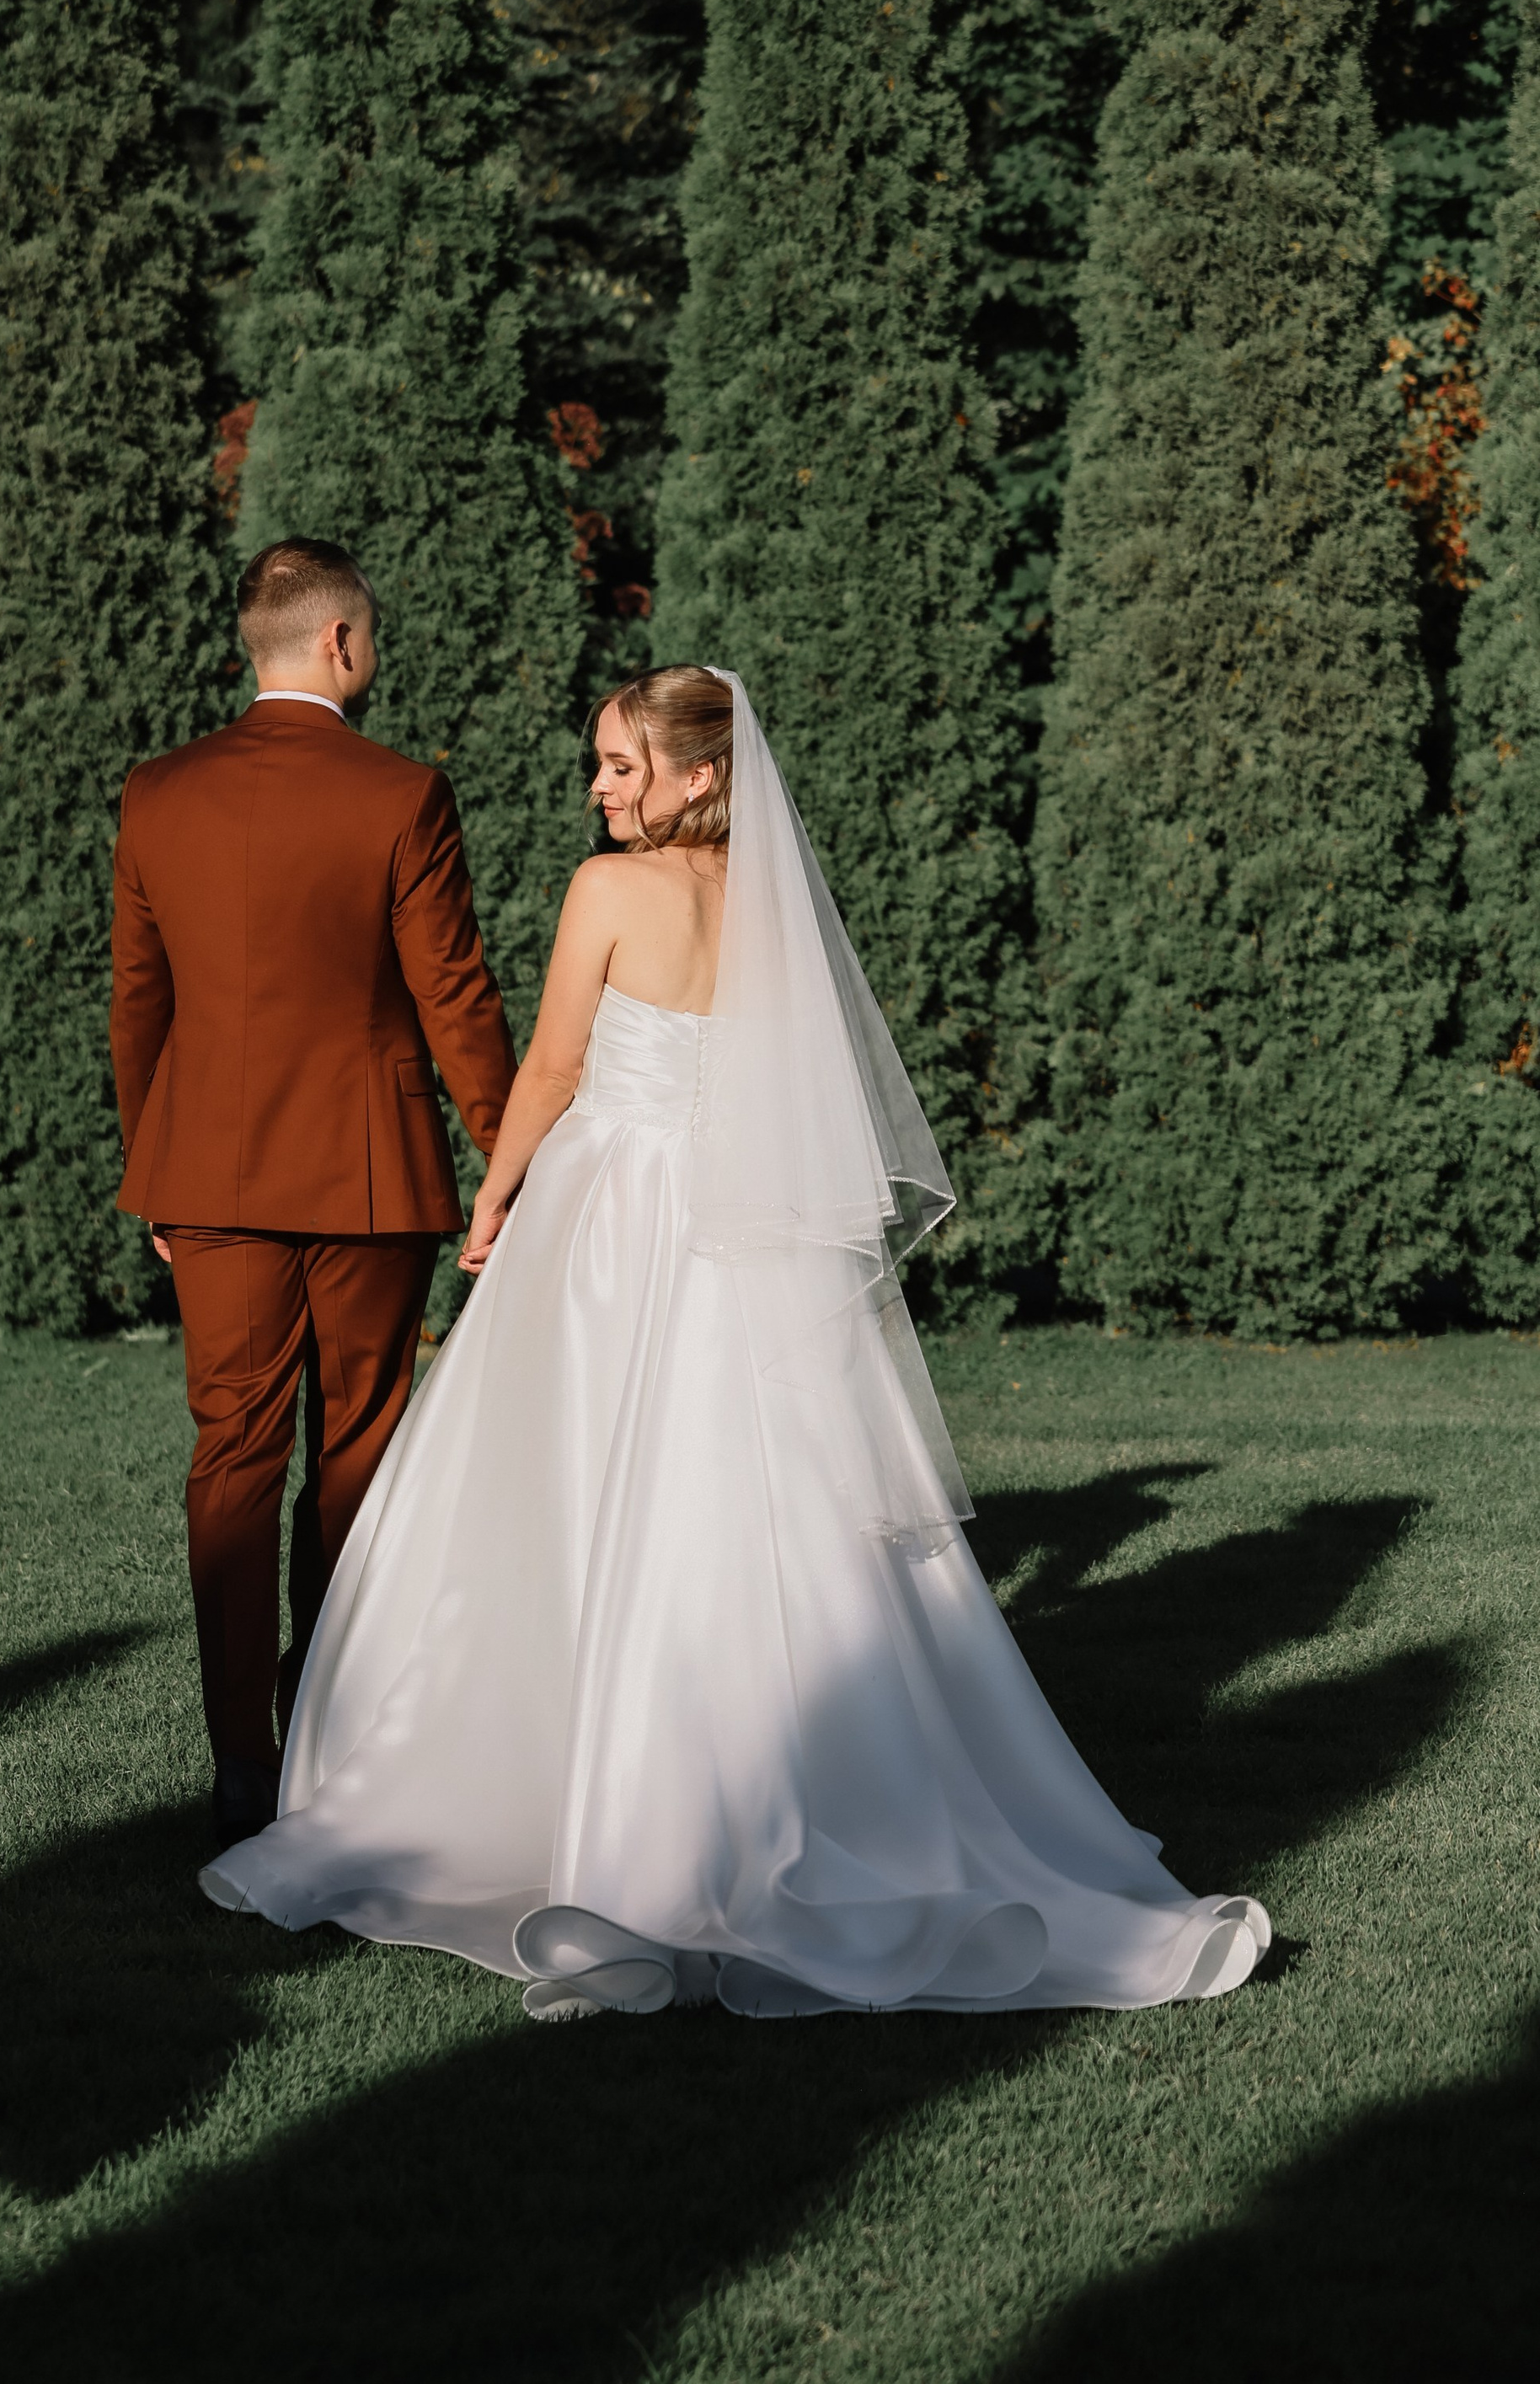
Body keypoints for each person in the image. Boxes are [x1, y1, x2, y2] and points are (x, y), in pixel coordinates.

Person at [201, 665, 1270, 2018]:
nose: (599, 788)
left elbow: (552, 1066)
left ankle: (576, 1816)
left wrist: (497, 1185)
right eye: (598, 764)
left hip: (615, 1213)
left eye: (622, 766)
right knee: (754, 1503)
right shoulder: (770, 906)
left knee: (576, 1489)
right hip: (744, 1224)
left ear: (701, 773)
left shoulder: (609, 892)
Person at [110, 538, 516, 1851]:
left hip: (212, 1177)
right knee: (358, 1451)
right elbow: (452, 992)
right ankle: (323, 1726)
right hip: (369, 1176)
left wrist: (155, 1163)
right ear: (342, 645)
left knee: (232, 1451)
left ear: (258, 646)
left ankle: (240, 1757)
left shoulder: (156, 793)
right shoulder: (403, 793)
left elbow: (139, 1004)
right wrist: (510, 1156)